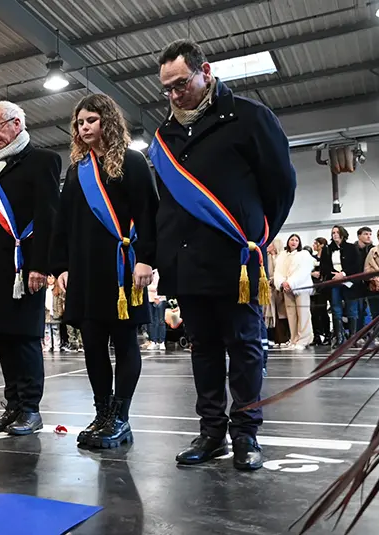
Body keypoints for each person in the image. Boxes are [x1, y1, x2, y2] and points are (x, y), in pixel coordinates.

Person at [148, 39, 296, 470]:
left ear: (205, 72)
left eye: (181, 84)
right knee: (203, 349)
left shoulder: (250, 117)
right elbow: (166, 203)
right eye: (167, 89)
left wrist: (260, 233)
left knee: (246, 346)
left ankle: (246, 433)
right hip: (188, 260)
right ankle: (211, 433)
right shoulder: (165, 135)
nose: (175, 95)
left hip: (236, 258)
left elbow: (281, 185)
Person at [51, 93, 157, 449]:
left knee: (126, 341)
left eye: (91, 121)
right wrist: (61, 266)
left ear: (107, 121)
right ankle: (102, 413)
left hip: (122, 268)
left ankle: (121, 416)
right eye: (80, 123)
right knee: (92, 344)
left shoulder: (132, 161)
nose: (84, 128)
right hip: (84, 270)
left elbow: (148, 214)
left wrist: (146, 258)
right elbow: (63, 222)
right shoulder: (76, 171)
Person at [0, 100, 62, 436]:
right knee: (4, 340)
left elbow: (49, 217)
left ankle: (31, 409)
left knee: (25, 339)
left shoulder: (43, 161)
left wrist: (41, 265)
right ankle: (12, 407)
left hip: (23, 267)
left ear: (17, 123)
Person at [320, 225, 363, 347]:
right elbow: (324, 266)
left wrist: (343, 274)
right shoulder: (327, 249)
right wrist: (333, 275)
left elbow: (357, 265)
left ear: (343, 234)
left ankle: (353, 338)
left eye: (337, 232)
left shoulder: (351, 247)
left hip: (349, 282)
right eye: (333, 232)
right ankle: (339, 337)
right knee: (336, 308)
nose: (335, 234)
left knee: (352, 309)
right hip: (335, 282)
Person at [273, 234, 314, 350]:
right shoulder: (282, 256)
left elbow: (303, 272)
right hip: (287, 288)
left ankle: (304, 339)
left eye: (296, 240)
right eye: (292, 239)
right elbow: (278, 272)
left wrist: (290, 283)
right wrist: (282, 283)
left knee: (303, 314)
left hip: (301, 288)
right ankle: (294, 339)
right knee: (291, 314)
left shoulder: (304, 255)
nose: (294, 242)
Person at [364, 227, 379, 339]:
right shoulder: (373, 251)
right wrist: (377, 280)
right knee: (376, 314)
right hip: (376, 287)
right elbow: (367, 270)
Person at [147, 269, 167, 350]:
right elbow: (145, 285)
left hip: (160, 298)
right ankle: (153, 341)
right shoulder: (148, 271)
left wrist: (157, 295)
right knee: (151, 321)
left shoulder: (159, 272)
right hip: (149, 298)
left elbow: (161, 285)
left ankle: (161, 341)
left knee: (161, 321)